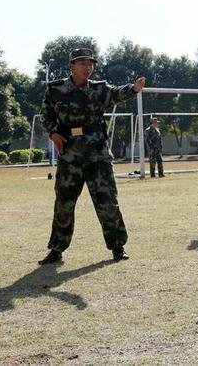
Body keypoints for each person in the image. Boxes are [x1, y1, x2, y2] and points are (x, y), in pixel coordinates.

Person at [38, 48, 146, 264]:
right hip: (69, 155)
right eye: (83, 64)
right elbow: (46, 115)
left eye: (91, 64)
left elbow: (116, 93)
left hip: (97, 155)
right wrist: (52, 133)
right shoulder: (55, 89)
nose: (88, 68)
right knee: (64, 203)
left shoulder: (99, 89)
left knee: (107, 201)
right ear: (72, 66)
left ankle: (117, 246)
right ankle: (56, 250)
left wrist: (133, 88)